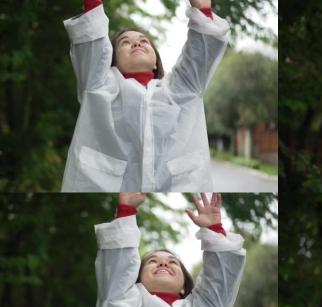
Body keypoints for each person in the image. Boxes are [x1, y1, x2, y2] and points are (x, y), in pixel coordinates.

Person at [76, 192, 246, 307]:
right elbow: (119, 267)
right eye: (153, 261)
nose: (163, 264)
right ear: (138, 278)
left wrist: (215, 230)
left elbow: (221, 277)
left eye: (172, 262)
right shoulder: (120, 301)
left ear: (184, 286)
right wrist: (126, 211)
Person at [61, 0, 229, 192]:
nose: (136, 42)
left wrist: (202, 9)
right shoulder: (97, 87)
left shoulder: (183, 89)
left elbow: (201, 51)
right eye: (125, 42)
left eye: (144, 40)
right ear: (112, 60)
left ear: (156, 62)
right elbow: (92, 44)